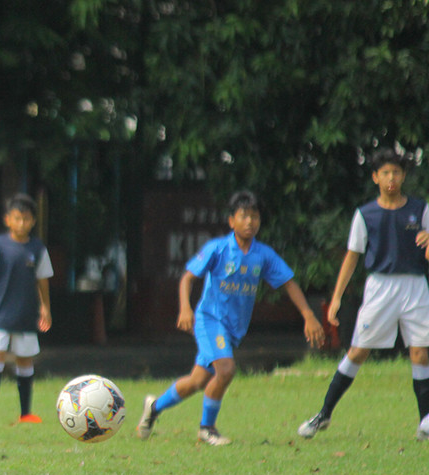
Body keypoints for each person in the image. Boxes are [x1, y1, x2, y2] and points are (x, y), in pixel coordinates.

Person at [136, 190, 325, 446]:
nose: (250, 222)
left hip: (234, 328)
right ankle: (207, 428)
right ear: (231, 221)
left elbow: (289, 283)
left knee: (197, 381)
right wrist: (185, 309)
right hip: (210, 320)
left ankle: (154, 407)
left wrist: (309, 316)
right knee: (225, 370)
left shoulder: (263, 255)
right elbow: (188, 278)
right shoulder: (218, 248)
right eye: (244, 216)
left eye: (255, 217)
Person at [298, 148, 429, 440]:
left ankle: (425, 422)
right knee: (358, 351)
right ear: (375, 177)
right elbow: (352, 256)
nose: (391, 178)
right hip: (380, 287)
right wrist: (336, 297)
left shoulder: (421, 210)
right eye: (385, 173)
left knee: (421, 352)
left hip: (415, 286)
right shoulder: (365, 214)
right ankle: (324, 414)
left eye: (396, 172)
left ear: (404, 176)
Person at [0, 193, 53, 425]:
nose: (22, 223)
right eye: (17, 218)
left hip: (26, 315)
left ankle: (25, 413)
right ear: (8, 220)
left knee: (25, 361)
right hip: (0, 316)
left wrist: (46, 308)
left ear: (33, 221)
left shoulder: (37, 248)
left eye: (26, 219)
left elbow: (42, 280)